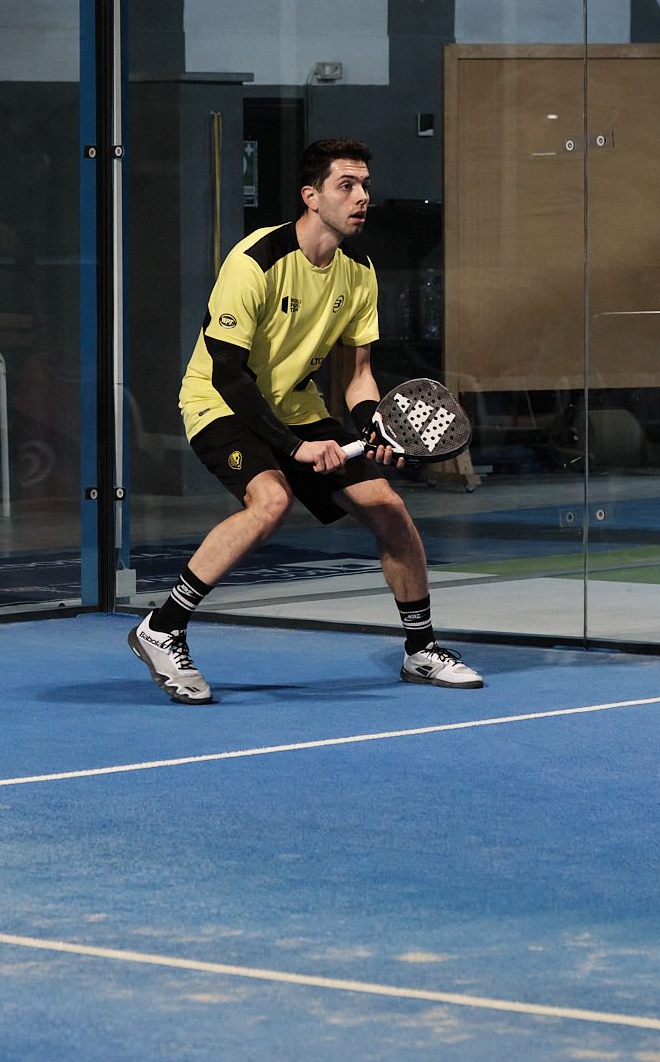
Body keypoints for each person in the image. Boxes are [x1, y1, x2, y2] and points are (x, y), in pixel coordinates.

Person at [129, 137, 482, 704]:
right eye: (346, 185)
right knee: (270, 502)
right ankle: (162, 628)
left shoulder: (358, 271)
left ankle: (420, 651)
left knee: (388, 508)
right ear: (311, 196)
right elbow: (228, 374)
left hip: (297, 407)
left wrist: (374, 426)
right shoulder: (256, 260)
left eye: (365, 186)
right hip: (220, 404)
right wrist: (294, 449)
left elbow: (358, 377)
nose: (361, 197)